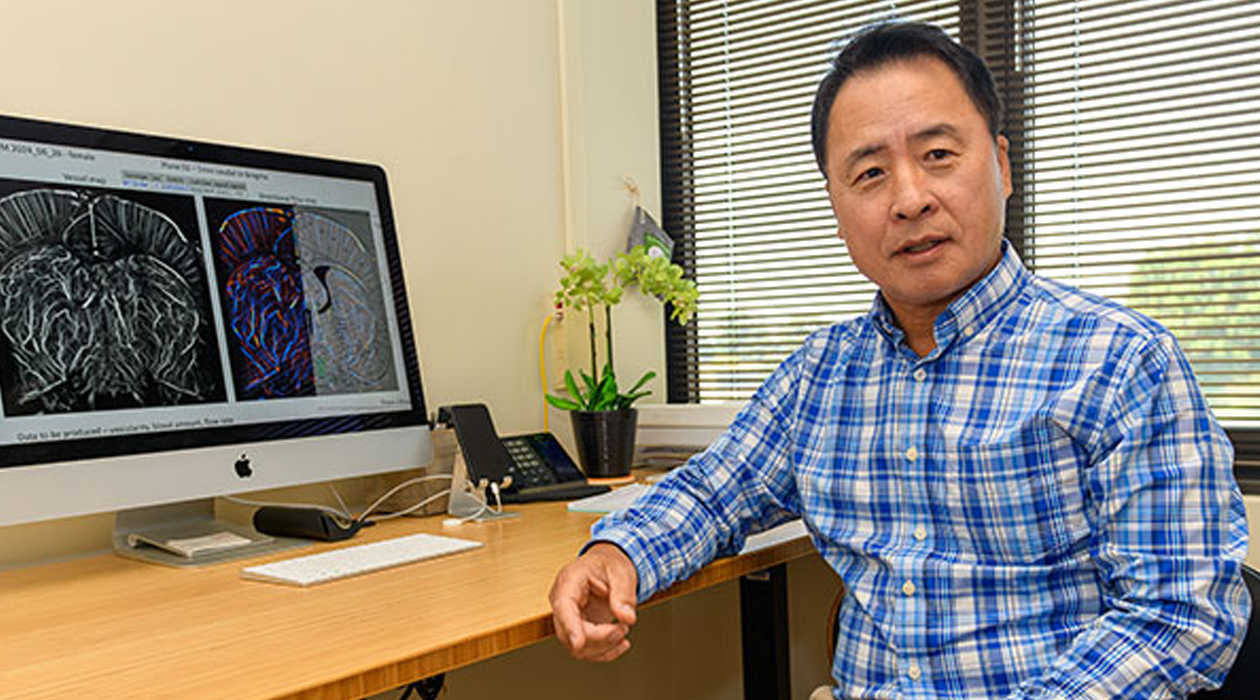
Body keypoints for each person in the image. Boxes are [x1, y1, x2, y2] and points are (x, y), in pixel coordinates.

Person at [548, 21, 1250, 699]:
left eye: (938, 155)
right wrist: (617, 553)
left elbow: (1179, 617)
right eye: (870, 173)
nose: (910, 199)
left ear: (1002, 165)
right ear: (837, 208)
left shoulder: (1121, 361)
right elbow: (711, 492)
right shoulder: (820, 375)